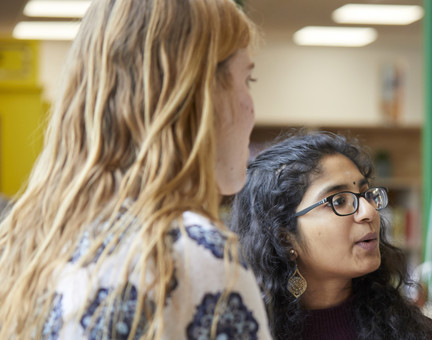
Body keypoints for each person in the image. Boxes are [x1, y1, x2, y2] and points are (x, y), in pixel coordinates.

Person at [0, 0, 269, 338]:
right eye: (248, 79)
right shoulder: (192, 256)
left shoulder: (28, 243)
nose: (251, 108)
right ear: (198, 95)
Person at [230, 132, 432, 340]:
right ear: (284, 237)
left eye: (366, 195)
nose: (369, 211)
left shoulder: (419, 334)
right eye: (338, 201)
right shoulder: (246, 331)